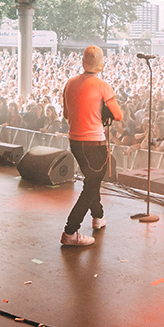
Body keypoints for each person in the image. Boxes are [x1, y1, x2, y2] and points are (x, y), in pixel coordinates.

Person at [60, 46, 123, 247]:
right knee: (91, 185)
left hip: (75, 142)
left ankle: (98, 217)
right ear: (100, 64)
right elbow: (119, 115)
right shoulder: (103, 85)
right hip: (95, 143)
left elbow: (66, 115)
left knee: (91, 180)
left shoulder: (70, 83)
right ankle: (70, 231)